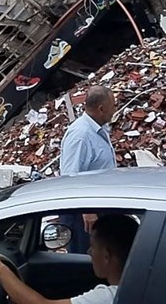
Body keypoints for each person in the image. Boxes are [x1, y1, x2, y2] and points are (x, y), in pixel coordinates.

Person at [0, 213, 140, 304]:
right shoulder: (137, 288)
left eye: (93, 247)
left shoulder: (111, 297)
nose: (88, 251)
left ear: (107, 256)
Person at [58, 85, 117, 252]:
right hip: (83, 216)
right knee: (85, 262)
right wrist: (87, 211)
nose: (115, 110)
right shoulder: (80, 136)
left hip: (98, 208)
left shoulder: (98, 128)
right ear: (101, 109)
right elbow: (70, 178)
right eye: (113, 106)